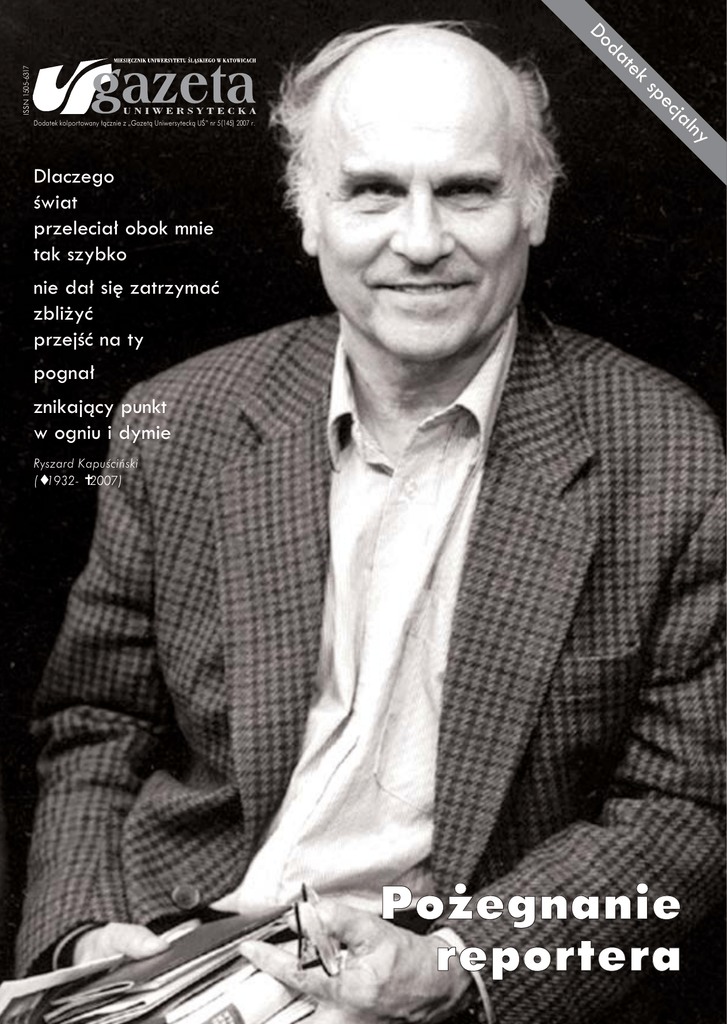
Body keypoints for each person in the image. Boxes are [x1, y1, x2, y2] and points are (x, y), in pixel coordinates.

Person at [16, 22, 724, 1024]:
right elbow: (98, 723)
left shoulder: (670, 451)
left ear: (534, 205)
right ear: (309, 214)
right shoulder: (177, 419)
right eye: (373, 191)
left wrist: (460, 965)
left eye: (467, 190)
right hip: (175, 952)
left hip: (440, 975)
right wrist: (87, 935)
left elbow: (688, 804)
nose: (421, 241)